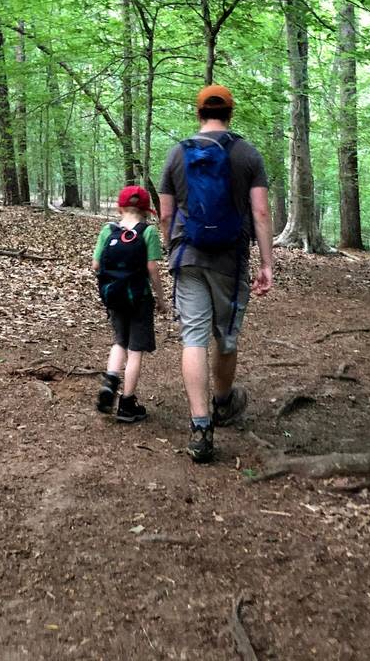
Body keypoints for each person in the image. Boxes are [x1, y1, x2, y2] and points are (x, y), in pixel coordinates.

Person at [159, 84, 274, 463]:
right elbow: (259, 212)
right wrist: (267, 263)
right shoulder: (247, 153)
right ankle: (223, 402)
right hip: (231, 258)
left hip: (187, 256)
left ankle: (201, 427)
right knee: (224, 336)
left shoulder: (178, 153)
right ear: (230, 112)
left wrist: (170, 243)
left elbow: (164, 213)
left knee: (193, 337)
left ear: (198, 113)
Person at [92, 185, 168, 423]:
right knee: (135, 351)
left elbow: (96, 266)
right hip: (139, 298)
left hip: (114, 296)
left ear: (120, 207)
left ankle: (110, 380)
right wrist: (161, 298)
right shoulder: (148, 232)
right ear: (146, 211)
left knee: (119, 342)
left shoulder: (108, 230)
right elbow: (152, 268)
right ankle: (127, 404)